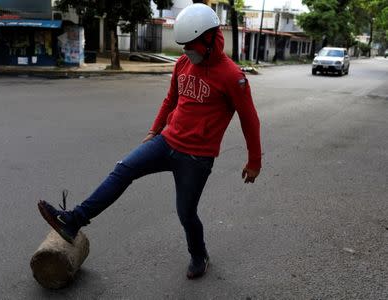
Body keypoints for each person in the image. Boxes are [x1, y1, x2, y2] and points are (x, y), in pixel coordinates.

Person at [38, 3, 262, 280]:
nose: (185, 51)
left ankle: (198, 254)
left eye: (190, 46)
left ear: (208, 40)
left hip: (197, 158)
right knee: (123, 170)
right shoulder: (183, 64)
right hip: (166, 142)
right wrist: (154, 131)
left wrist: (254, 161)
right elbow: (171, 100)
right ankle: (72, 221)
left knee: (186, 213)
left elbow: (249, 119)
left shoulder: (232, 77)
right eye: (183, 46)